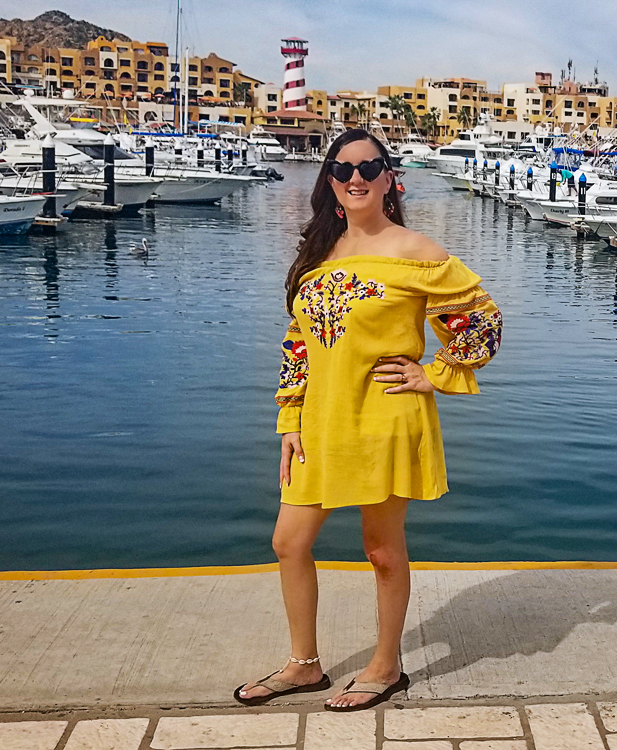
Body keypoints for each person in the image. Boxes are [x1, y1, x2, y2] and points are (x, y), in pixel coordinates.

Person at [234, 129, 503, 712]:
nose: (355, 177)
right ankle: (304, 666)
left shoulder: (416, 251)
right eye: (343, 168)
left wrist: (436, 373)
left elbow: (481, 320)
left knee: (381, 550)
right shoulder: (318, 254)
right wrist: (289, 418)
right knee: (289, 540)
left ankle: (386, 666)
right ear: (330, 181)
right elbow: (298, 342)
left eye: (369, 166)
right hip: (322, 421)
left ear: (388, 178)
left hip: (385, 416)